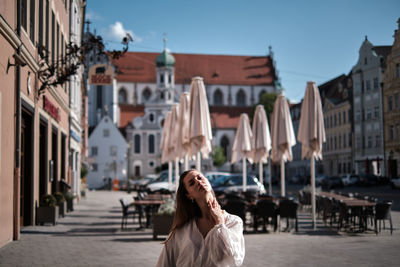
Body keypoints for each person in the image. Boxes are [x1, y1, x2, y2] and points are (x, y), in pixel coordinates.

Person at [156, 169, 245, 267]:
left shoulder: (234, 222)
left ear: (208, 181)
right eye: (192, 183)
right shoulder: (181, 231)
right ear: (189, 195)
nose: (198, 182)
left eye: (200, 177)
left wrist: (220, 222)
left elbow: (232, 259)